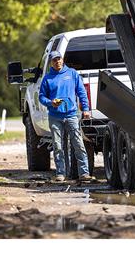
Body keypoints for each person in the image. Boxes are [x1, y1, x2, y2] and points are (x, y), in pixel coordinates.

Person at [38, 51, 92, 182]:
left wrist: (85, 109)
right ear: (51, 62)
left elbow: (81, 92)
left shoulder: (72, 73)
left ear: (62, 59)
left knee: (78, 144)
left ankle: (84, 173)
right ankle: (60, 174)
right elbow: (41, 97)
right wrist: (51, 102)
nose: (57, 62)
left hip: (72, 115)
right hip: (55, 117)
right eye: (54, 60)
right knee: (58, 145)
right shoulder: (47, 78)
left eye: (59, 59)